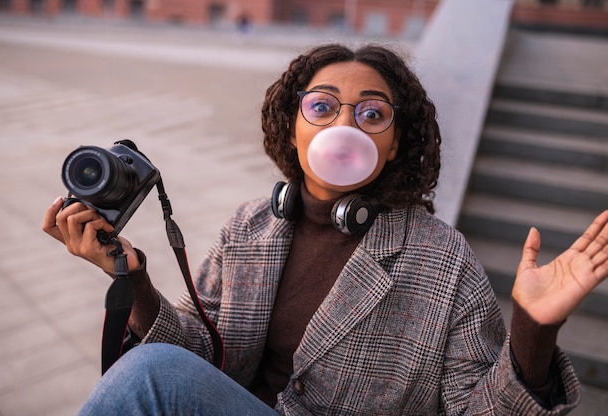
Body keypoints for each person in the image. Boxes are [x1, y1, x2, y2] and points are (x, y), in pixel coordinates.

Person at [42, 43, 608, 415]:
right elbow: (203, 358)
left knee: (150, 373)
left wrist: (534, 330)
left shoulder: (442, 259)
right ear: (292, 129)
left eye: (372, 114)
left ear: (393, 144)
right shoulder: (248, 227)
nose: (345, 124)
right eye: (322, 106)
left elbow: (474, 410)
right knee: (159, 369)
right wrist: (134, 279)